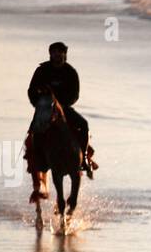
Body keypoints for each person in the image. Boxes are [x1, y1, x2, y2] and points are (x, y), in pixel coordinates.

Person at [26, 41, 97, 176]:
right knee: (34, 131)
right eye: (54, 52)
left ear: (65, 54)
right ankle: (39, 160)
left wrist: (63, 104)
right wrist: (38, 103)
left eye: (60, 52)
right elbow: (31, 90)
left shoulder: (70, 72)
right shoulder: (42, 70)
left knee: (84, 124)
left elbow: (75, 94)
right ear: (50, 54)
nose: (57, 55)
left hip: (64, 108)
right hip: (45, 108)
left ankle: (84, 159)